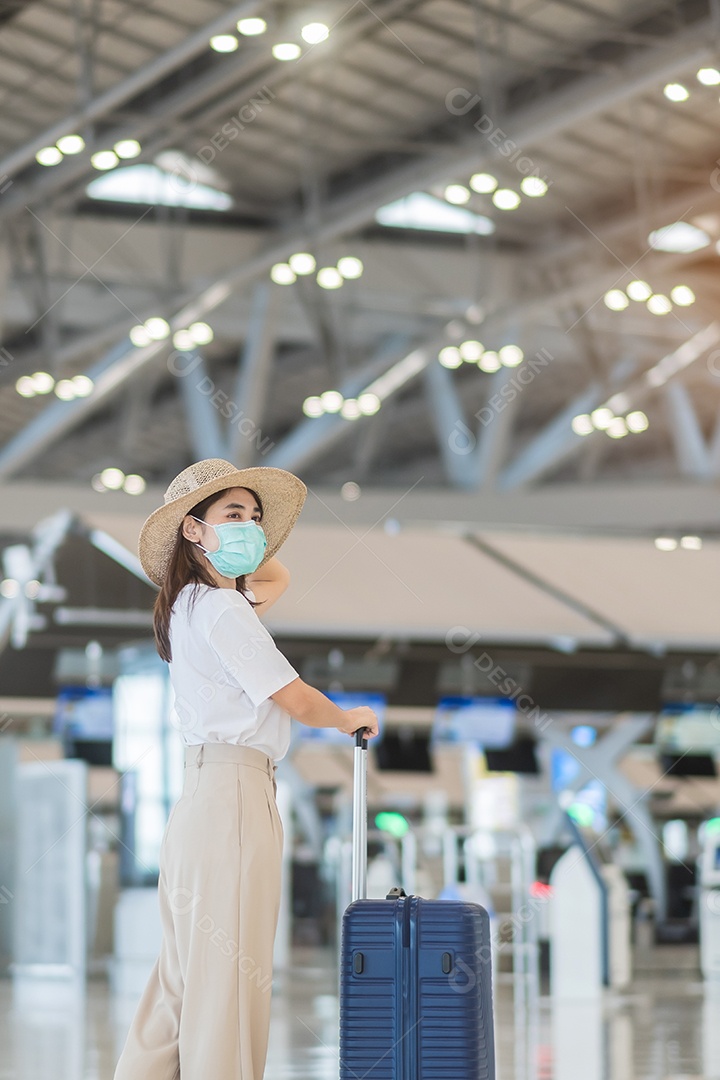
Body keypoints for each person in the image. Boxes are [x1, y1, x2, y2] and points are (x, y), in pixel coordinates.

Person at [114, 458, 379, 1080]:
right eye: (233, 515)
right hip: (235, 797)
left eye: (256, 518)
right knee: (229, 988)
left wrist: (235, 544)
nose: (251, 530)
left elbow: (275, 574)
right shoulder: (225, 611)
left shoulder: (190, 604)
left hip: (199, 800)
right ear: (192, 529)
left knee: (179, 986)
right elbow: (292, 695)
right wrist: (347, 718)